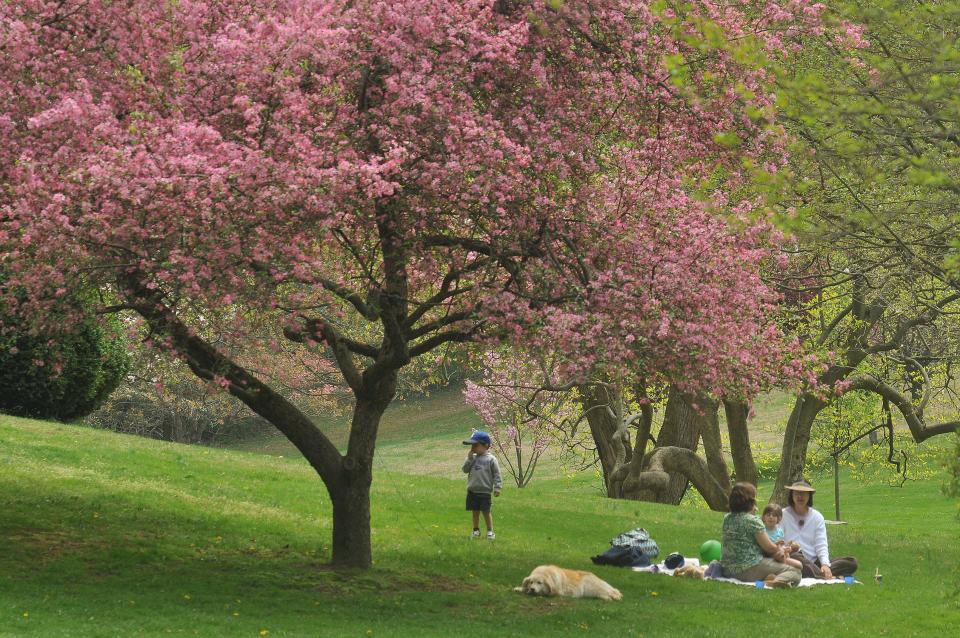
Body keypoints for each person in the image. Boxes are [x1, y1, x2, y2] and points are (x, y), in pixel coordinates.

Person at [720, 482, 801, 588]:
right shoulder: (753, 521)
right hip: (748, 568)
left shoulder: (727, 518)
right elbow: (769, 548)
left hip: (727, 570)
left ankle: (769, 578)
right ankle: (769, 583)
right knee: (795, 571)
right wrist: (780, 549)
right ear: (750, 501)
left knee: (776, 567)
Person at [781, 479, 858, 579]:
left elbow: (821, 543)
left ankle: (819, 573)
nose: (800, 497)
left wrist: (825, 565)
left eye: (804, 493)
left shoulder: (817, 517)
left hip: (814, 562)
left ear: (809, 496)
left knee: (851, 562)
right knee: (796, 557)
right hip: (793, 559)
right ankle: (825, 576)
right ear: (792, 495)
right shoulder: (782, 514)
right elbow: (778, 540)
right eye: (797, 493)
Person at [461, 430, 502, 539]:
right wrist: (469, 459)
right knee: (475, 512)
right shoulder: (472, 458)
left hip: (485, 491)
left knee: (486, 512)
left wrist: (497, 487)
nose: (473, 448)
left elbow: (497, 474)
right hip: (472, 491)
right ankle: (476, 530)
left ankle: (490, 531)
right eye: (472, 445)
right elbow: (465, 470)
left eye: (475, 445)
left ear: (486, 445)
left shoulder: (491, 459)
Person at [761, 503, 803, 571]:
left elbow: (782, 547)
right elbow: (764, 549)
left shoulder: (779, 531)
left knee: (799, 564)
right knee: (797, 565)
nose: (771, 517)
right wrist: (776, 545)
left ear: (779, 519)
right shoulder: (762, 531)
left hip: (782, 556)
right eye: (768, 515)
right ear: (763, 517)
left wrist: (788, 548)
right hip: (769, 557)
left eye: (774, 515)